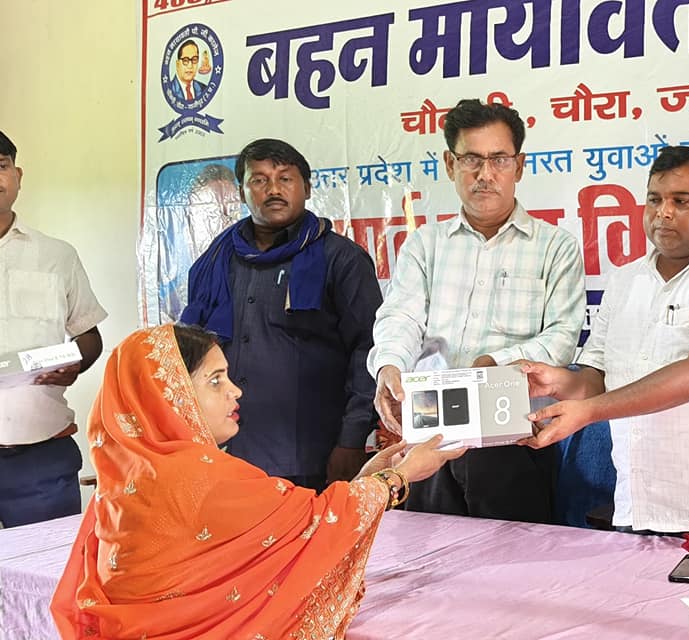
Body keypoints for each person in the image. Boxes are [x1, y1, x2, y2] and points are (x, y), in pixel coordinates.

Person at [50, 324, 466, 639]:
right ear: (169, 395)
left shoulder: (124, 479)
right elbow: (317, 523)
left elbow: (301, 523)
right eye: (215, 380)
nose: (235, 391)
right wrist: (400, 476)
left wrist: (368, 477)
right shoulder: (204, 479)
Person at [518, 146, 689, 533]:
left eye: (681, 201)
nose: (663, 212)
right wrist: (556, 383)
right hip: (635, 506)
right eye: (654, 199)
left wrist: (589, 411)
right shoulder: (624, 280)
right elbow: (596, 377)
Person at [370, 99, 585, 523]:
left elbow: (561, 339)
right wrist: (390, 365)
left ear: (518, 167)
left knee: (514, 555)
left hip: (515, 437)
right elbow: (401, 317)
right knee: (429, 551)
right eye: (471, 159)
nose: (485, 174)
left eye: (499, 159)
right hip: (431, 434)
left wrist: (495, 366)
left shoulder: (555, 247)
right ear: (450, 164)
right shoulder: (425, 244)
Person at [181, 138, 381, 490]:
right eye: (259, 180)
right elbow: (191, 353)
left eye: (285, 178)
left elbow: (369, 349)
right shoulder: (213, 262)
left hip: (310, 457)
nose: (273, 190)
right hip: (225, 455)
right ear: (242, 192)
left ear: (307, 187)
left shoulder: (341, 259)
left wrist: (351, 441)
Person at [0, 129, 107, 528]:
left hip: (40, 457)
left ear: (18, 176)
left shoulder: (56, 255)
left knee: (48, 564)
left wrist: (75, 363)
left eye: (1, 166)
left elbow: (88, 334)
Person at [141, 162, 241, 324]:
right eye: (211, 215)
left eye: (230, 213)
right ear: (191, 222)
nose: (222, 224)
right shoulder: (173, 305)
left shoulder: (254, 284)